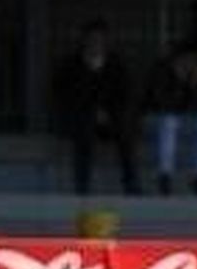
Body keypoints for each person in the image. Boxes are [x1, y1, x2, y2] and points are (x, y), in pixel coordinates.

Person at [53, 19, 139, 196]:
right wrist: (91, 111)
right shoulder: (71, 65)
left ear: (106, 42)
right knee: (84, 134)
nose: (96, 44)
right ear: (84, 40)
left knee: (125, 134)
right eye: (92, 39)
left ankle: (131, 183)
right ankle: (82, 185)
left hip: (110, 118)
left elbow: (125, 94)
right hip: (81, 118)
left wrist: (107, 112)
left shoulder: (116, 64)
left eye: (100, 39)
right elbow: (64, 95)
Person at [144, 40, 197, 196]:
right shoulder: (162, 69)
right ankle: (165, 176)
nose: (189, 63)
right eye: (186, 59)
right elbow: (160, 102)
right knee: (169, 122)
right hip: (161, 117)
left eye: (193, 60)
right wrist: (178, 83)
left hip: (190, 118)